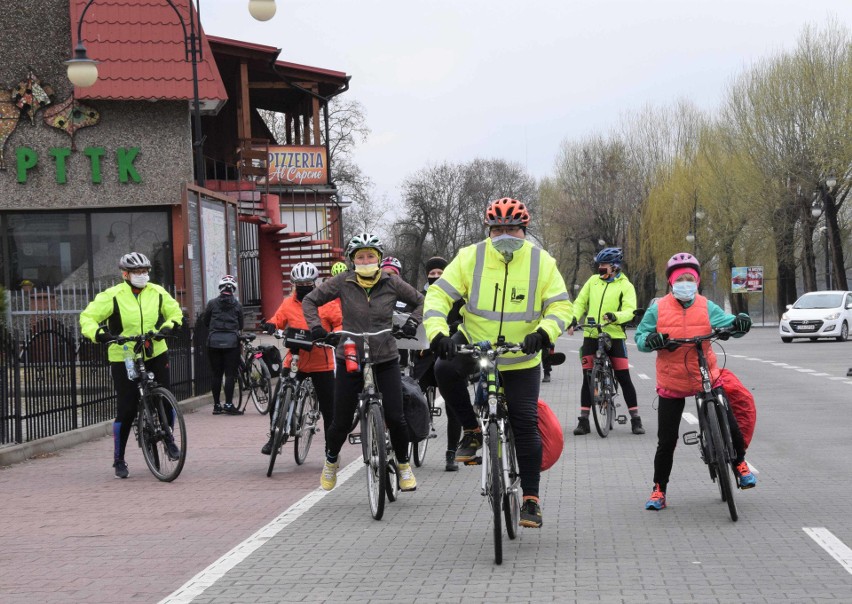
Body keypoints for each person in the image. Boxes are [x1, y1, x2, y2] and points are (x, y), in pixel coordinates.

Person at [424, 198, 573, 528]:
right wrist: (437, 334)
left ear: (524, 230)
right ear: (488, 231)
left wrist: (545, 333)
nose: (505, 234)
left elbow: (562, 307)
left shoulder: (541, 262)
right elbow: (438, 296)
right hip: (476, 342)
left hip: (522, 353)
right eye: (498, 229)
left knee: (524, 421)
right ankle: (472, 430)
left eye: (512, 229)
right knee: (444, 369)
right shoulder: (471, 257)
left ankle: (531, 499)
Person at [302, 233, 424, 492]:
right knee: (341, 421)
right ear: (352, 260)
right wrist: (316, 328)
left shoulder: (392, 282)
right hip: (350, 356)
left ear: (378, 259)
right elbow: (310, 300)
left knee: (396, 416)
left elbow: (421, 300)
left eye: (370, 256)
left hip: (386, 355)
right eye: (360, 256)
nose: (365, 260)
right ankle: (331, 461)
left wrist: (413, 322)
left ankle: (403, 465)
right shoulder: (343, 282)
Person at [635, 252, 757, 511]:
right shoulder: (658, 309)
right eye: (681, 279)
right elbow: (641, 337)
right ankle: (659, 489)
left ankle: (739, 464)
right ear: (671, 282)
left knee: (729, 418)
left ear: (698, 281)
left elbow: (727, 324)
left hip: (706, 376)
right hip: (672, 381)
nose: (686, 284)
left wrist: (739, 325)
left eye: (690, 279)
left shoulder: (706, 305)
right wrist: (651, 341)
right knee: (666, 439)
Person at [80, 252, 183, 479]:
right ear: (125, 274)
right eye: (137, 272)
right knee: (126, 409)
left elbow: (175, 311)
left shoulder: (157, 292)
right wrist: (99, 334)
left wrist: (169, 326)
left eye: (145, 271)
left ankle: (168, 438)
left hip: (154, 349)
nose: (142, 275)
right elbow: (87, 318)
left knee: (165, 398)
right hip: (123, 353)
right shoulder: (113, 295)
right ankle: (119, 458)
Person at [260, 261, 342, 455]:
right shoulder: (289, 303)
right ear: (294, 284)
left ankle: (331, 447)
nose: (304, 287)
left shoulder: (328, 302)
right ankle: (275, 437)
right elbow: (278, 319)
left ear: (315, 283)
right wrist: (271, 325)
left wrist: (335, 335)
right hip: (295, 359)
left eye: (308, 283)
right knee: (278, 399)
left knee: (330, 408)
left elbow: (339, 323)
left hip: (321, 362)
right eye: (299, 283)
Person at [569, 247, 644, 435]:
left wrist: (615, 316)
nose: (600, 268)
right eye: (599, 264)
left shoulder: (625, 285)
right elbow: (580, 302)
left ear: (615, 267)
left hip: (614, 335)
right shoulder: (593, 281)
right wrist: (573, 318)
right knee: (588, 377)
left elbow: (630, 309)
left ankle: (635, 419)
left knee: (623, 376)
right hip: (591, 334)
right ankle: (584, 421)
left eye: (604, 265)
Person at [410, 256, 464, 471]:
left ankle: (451, 453)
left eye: (439, 274)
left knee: (453, 404)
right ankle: (408, 441)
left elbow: (467, 320)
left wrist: (456, 328)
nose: (435, 277)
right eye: (431, 274)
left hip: (449, 355)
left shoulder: (458, 298)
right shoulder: (421, 297)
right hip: (424, 355)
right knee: (412, 396)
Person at [202, 275, 244, 415]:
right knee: (230, 375)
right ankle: (228, 404)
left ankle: (216, 406)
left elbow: (206, 320)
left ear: (220, 288)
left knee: (216, 374)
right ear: (233, 290)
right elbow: (241, 324)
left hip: (214, 342)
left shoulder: (212, 303)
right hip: (232, 343)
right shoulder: (237, 305)